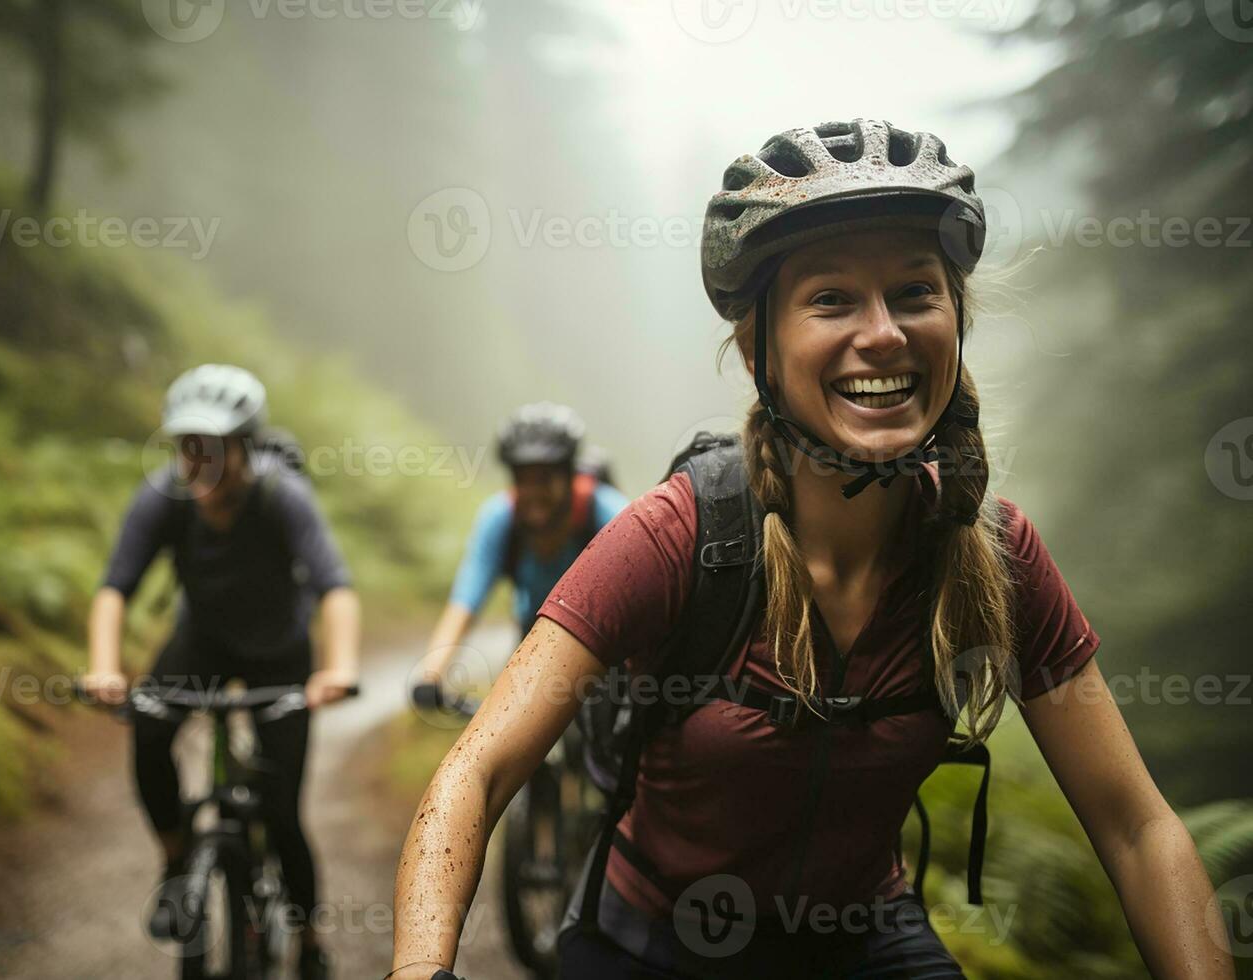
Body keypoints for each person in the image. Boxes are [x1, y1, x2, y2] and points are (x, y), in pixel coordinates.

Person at [389, 120, 1232, 979]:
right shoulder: (683, 536)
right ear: (759, 348)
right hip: (656, 944)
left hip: (866, 945)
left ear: (956, 318)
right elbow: (479, 771)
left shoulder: (996, 557)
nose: (885, 334)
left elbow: (1136, 827)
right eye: (832, 299)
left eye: (915, 293)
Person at [81, 364, 360, 980]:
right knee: (149, 731)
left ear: (247, 447)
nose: (200, 464)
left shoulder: (282, 495)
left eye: (215, 448)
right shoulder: (162, 498)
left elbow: (334, 587)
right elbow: (113, 589)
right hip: (200, 645)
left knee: (283, 810)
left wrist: (336, 670)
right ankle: (177, 861)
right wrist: (103, 668)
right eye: (188, 448)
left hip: (280, 654)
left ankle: (309, 939)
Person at [413, 402, 627, 699]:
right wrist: (430, 676)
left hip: (605, 644)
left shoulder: (610, 515)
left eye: (545, 478)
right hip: (533, 637)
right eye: (522, 479)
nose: (532, 492)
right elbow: (463, 604)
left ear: (569, 476)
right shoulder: (499, 519)